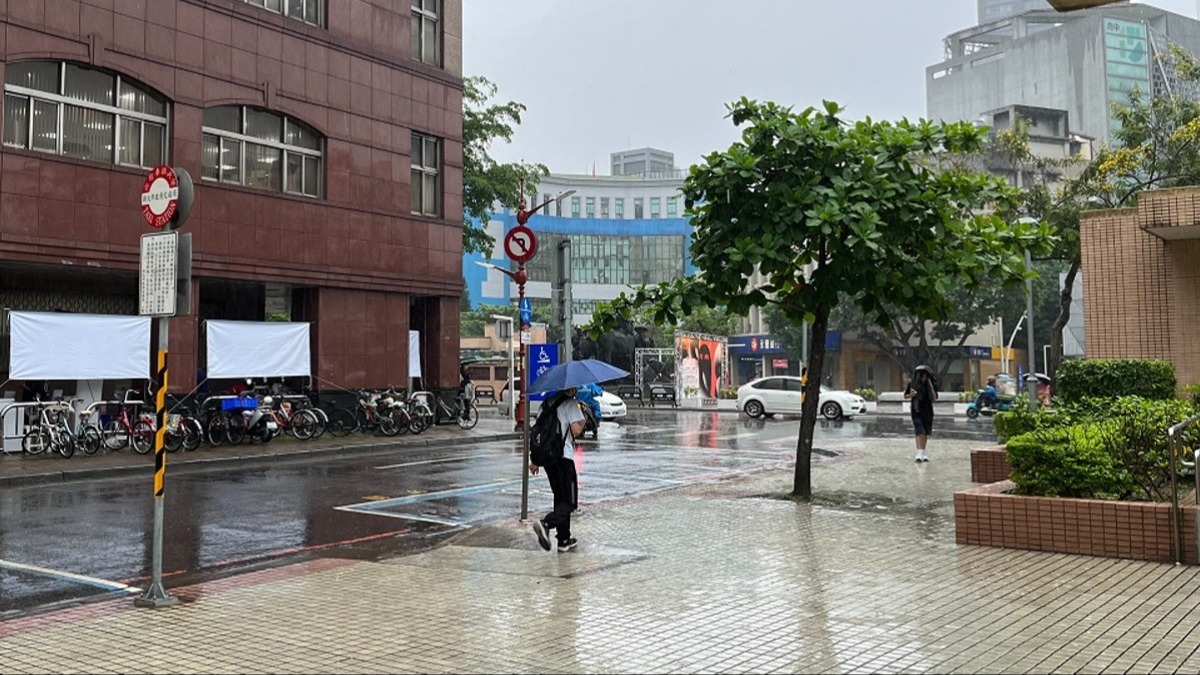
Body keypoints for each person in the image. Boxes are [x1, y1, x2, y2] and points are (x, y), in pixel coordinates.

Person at [530, 387, 586, 553]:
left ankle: (563, 539)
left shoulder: (546, 404)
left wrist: (535, 460)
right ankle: (547, 523)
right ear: (571, 388)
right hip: (564, 458)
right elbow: (576, 431)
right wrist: (582, 417)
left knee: (560, 498)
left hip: (549, 460)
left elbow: (539, 433)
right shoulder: (572, 404)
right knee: (570, 501)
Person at [904, 365, 939, 463]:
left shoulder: (931, 385)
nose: (923, 377)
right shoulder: (912, 384)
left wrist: (929, 384)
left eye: (925, 375)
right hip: (916, 410)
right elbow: (905, 395)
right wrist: (912, 395)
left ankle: (923, 452)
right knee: (920, 431)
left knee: (926, 431)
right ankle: (919, 452)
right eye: (921, 375)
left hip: (927, 410)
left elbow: (934, 397)